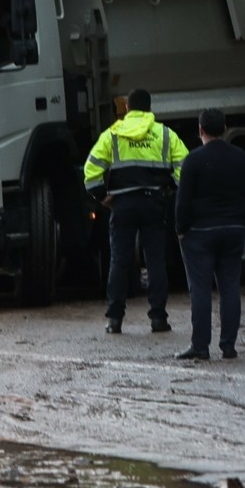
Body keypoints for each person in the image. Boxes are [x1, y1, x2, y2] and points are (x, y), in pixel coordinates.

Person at [84, 89, 189, 336]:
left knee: (119, 261)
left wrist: (103, 197)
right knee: (155, 261)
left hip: (122, 204)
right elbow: (185, 168)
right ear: (150, 109)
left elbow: (91, 170)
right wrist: (171, 189)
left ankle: (115, 320)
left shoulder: (112, 134)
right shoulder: (165, 134)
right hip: (154, 203)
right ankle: (158, 319)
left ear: (128, 109)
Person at [173, 108, 245, 361]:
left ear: (200, 130)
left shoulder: (193, 160)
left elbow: (183, 200)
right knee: (230, 287)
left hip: (200, 232)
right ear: (225, 128)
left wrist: (181, 230)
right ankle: (228, 345)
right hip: (233, 229)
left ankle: (200, 345)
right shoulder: (240, 156)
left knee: (200, 289)